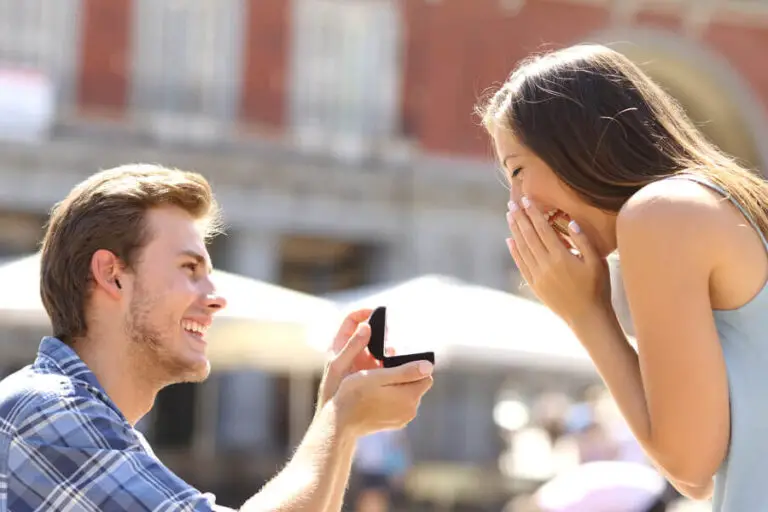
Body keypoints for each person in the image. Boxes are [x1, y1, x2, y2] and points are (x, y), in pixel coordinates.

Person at [0, 164, 434, 511]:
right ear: (112, 275)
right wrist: (338, 419)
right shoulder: (47, 411)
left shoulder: (92, 426)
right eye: (190, 269)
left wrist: (340, 416)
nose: (215, 298)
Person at [477, 43, 768, 511]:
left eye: (517, 171)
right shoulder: (716, 206)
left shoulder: (660, 214)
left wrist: (587, 313)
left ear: (576, 145)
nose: (517, 204)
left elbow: (690, 469)